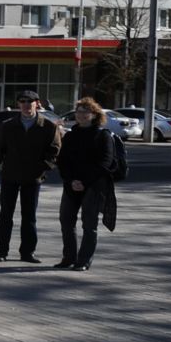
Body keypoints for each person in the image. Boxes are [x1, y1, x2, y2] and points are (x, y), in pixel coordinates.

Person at [0, 89, 62, 263]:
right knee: (6, 215)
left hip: (33, 178)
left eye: (30, 101)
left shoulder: (48, 126)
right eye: (23, 101)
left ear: (37, 103)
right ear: (18, 104)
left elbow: (54, 152)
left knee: (29, 217)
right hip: (10, 176)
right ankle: (1, 251)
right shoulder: (8, 125)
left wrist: (42, 168)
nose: (26, 105)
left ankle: (27, 253)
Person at [55, 97, 114, 271]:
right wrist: (71, 180)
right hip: (71, 185)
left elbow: (106, 162)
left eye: (85, 112)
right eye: (79, 111)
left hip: (93, 186)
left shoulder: (103, 135)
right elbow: (62, 161)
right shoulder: (71, 136)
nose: (81, 115)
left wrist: (85, 182)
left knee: (89, 225)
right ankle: (69, 257)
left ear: (95, 114)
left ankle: (84, 261)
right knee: (66, 221)